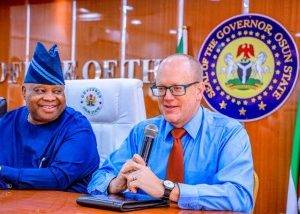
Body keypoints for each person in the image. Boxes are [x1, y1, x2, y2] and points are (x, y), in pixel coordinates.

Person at [87, 54, 254, 212]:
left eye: (176, 88)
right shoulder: (143, 131)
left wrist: (166, 190)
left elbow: (239, 196)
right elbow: (98, 179)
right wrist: (115, 184)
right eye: (161, 88)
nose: (167, 97)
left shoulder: (228, 133)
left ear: (199, 90)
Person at [0, 42, 99, 193]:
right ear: (24, 92)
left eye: (57, 91)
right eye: (40, 90)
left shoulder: (77, 127)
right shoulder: (8, 121)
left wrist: (3, 171)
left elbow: (58, 178)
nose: (50, 98)